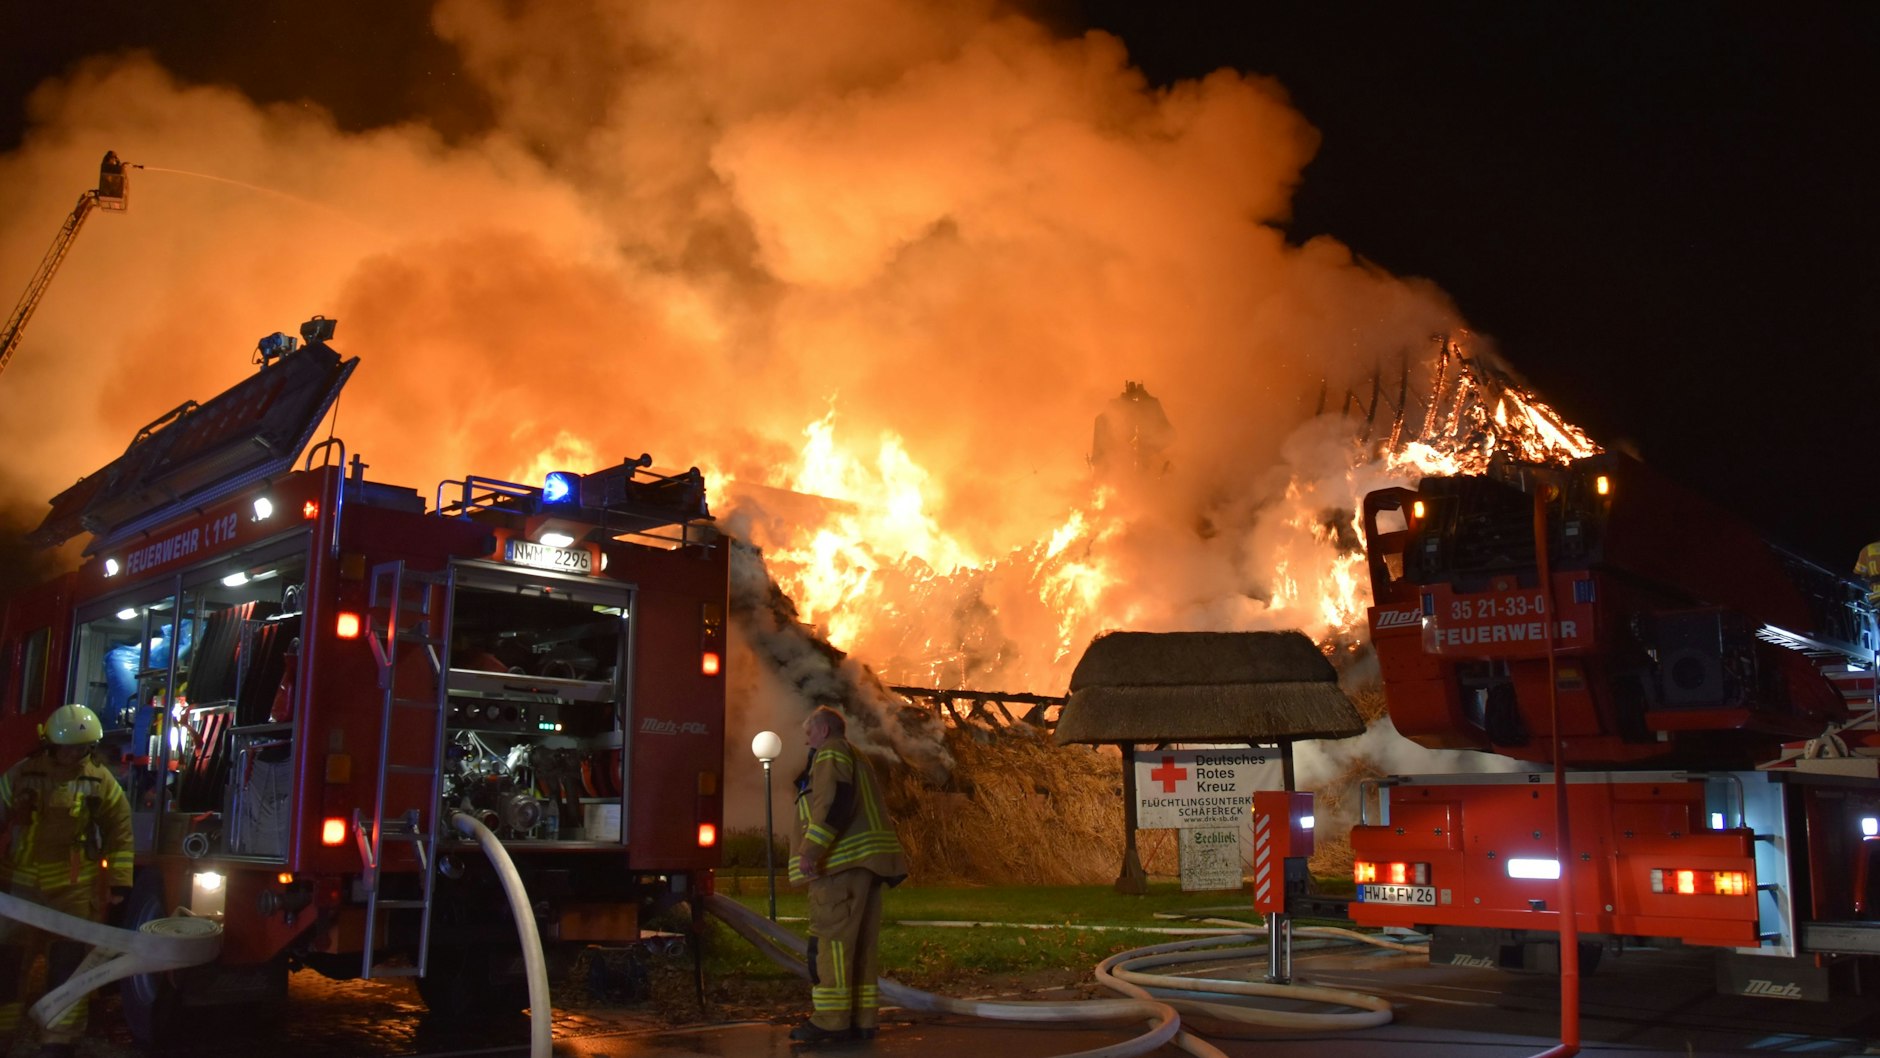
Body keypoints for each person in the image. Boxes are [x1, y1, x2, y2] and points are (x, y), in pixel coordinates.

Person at [0, 704, 134, 1058]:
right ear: (52, 744)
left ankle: (58, 1043)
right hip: (20, 891)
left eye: (83, 747)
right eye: (70, 746)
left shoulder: (100, 781)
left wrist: (121, 882)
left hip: (74, 892)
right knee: (7, 967)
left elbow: (119, 830)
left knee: (70, 971)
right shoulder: (21, 775)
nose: (76, 753)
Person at [788, 705, 907, 1043]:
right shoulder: (857, 756)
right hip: (867, 865)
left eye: (809, 733)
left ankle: (831, 1022)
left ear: (823, 731)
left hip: (840, 865)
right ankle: (861, 1019)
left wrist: (812, 850)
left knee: (833, 944)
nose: (806, 741)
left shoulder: (829, 754)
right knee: (862, 946)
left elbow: (833, 801)